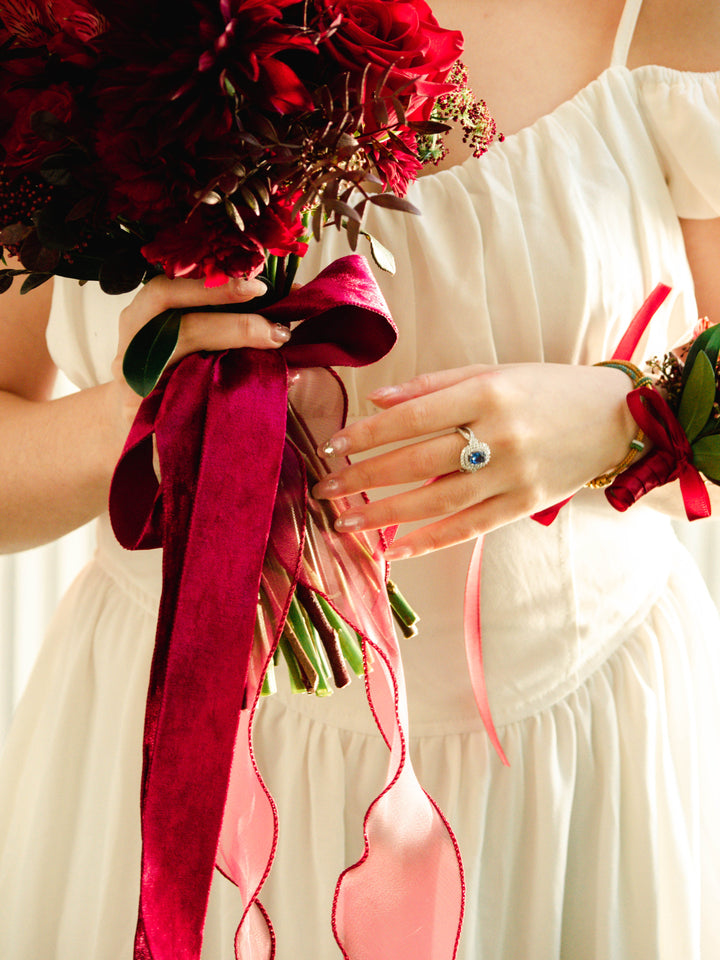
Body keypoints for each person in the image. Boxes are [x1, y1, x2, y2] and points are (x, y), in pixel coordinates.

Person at [1, 0, 720, 956]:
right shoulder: (54, 35)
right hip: (170, 761)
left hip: (576, 764)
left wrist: (622, 417)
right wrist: (150, 423)